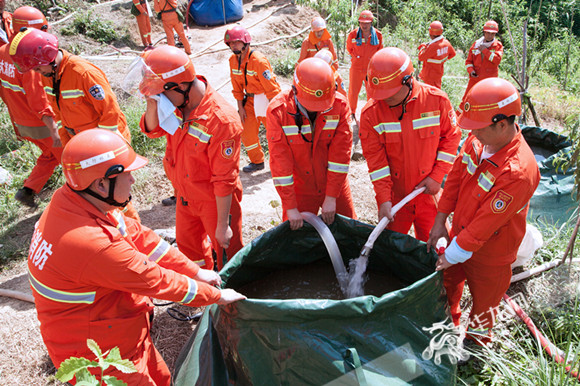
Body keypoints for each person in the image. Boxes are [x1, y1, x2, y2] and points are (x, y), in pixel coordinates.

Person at [28, 129, 246, 385]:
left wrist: (195, 271)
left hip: (120, 331)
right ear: (101, 184)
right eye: (127, 174)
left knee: (163, 378)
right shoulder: (92, 244)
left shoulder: (75, 201)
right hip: (98, 355)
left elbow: (140, 237)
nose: (132, 181)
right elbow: (156, 281)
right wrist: (217, 296)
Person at [427, 78, 540, 345]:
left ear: (502, 124)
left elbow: (486, 224)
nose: (473, 133)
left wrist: (453, 253)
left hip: (492, 253)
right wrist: (441, 220)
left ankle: (474, 347)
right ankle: (447, 325)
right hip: (459, 235)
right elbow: (454, 178)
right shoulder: (478, 140)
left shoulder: (518, 172)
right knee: (447, 286)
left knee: (484, 305)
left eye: (478, 128)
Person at [10, 28, 140, 220]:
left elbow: (110, 112)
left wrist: (104, 150)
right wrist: (68, 144)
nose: (37, 73)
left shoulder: (83, 73)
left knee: (115, 194)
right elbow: (58, 112)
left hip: (106, 143)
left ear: (49, 58)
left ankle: (133, 231)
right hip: (83, 145)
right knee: (96, 195)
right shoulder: (48, 75)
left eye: (37, 68)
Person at [140, 45, 244, 270]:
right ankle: (201, 295)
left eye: (161, 93)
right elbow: (151, 129)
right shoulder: (176, 104)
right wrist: (152, 100)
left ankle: (232, 300)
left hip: (214, 203)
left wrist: (222, 224)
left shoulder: (222, 120)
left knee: (228, 257)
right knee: (190, 256)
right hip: (184, 196)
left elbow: (224, 179)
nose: (160, 99)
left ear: (180, 86)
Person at [359, 47, 461, 242]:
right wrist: (384, 199)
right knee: (392, 251)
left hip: (430, 193)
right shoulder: (371, 114)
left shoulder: (436, 101)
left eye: (389, 94)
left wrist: (437, 176)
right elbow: (376, 163)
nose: (382, 99)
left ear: (408, 81)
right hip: (396, 198)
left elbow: (452, 138)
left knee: (435, 247)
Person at [266, 57, 356, 230]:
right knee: (296, 240)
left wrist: (331, 196)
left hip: (334, 184)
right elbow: (280, 163)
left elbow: (340, 155)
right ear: (295, 90)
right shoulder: (278, 112)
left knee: (349, 233)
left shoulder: (339, 105)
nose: (318, 109)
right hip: (301, 189)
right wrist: (291, 207)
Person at [0, 6, 61, 208]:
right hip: (40, 124)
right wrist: (55, 131)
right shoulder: (30, 60)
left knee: (49, 155)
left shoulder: (2, 53)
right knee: (69, 159)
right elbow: (38, 101)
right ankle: (80, 198)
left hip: (21, 122)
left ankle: (28, 190)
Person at [225, 25, 281, 173]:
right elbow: (236, 87)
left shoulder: (259, 61)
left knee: (275, 133)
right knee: (247, 132)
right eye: (231, 43)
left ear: (245, 42)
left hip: (266, 99)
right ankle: (257, 161)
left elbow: (272, 89)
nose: (233, 45)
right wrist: (240, 107)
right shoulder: (232, 61)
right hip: (249, 101)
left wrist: (276, 111)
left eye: (236, 42)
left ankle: (282, 162)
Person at [459, 20, 503, 112]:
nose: (490, 36)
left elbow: (497, 60)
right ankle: (457, 122)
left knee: (487, 103)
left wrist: (485, 51)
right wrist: (471, 71)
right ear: (484, 32)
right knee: (467, 100)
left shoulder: (497, 46)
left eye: (492, 34)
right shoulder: (476, 44)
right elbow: (468, 61)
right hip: (475, 79)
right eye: (488, 33)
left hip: (489, 81)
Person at [346, 10, 383, 116]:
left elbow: (380, 51)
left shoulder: (378, 35)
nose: (364, 25)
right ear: (359, 23)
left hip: (371, 69)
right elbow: (349, 49)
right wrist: (357, 58)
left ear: (371, 22)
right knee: (353, 91)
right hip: (356, 67)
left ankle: (371, 112)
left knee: (372, 91)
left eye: (366, 23)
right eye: (362, 22)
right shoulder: (353, 34)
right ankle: (351, 112)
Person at [417, 21, 456, 89]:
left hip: (429, 75)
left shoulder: (433, 46)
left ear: (430, 32)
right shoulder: (446, 43)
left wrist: (423, 47)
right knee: (437, 90)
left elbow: (421, 57)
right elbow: (453, 54)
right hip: (438, 73)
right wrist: (442, 60)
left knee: (430, 93)